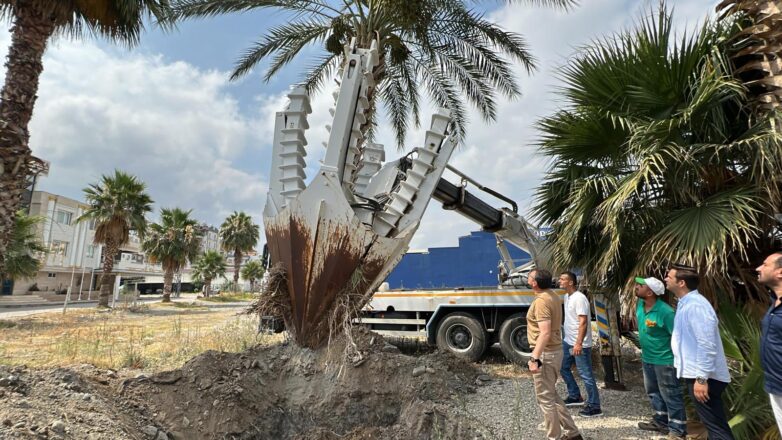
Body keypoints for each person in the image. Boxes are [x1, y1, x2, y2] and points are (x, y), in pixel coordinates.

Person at [665, 264, 734, 440]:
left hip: (705, 377)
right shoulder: (685, 303)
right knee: (713, 424)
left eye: (669, 277)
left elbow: (707, 344)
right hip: (698, 375)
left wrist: (701, 378)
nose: (665, 279)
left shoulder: (696, 306)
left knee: (716, 427)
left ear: (681, 283)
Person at [526, 268, 583, 440]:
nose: (527, 278)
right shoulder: (552, 295)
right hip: (554, 351)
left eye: (529, 277)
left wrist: (534, 357)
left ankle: (554, 437)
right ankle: (573, 434)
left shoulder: (542, 302)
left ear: (534, 282)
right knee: (552, 395)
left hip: (546, 354)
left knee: (545, 400)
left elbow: (545, 333)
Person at [634, 276, 687, 439]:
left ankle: (678, 430)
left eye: (640, 286)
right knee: (653, 392)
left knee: (670, 393)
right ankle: (660, 421)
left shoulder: (666, 312)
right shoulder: (640, 305)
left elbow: (677, 337)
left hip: (665, 361)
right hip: (648, 358)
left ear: (650, 292)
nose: (636, 287)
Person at [558, 271, 602, 417]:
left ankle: (595, 406)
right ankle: (575, 396)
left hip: (579, 344)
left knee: (586, 374)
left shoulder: (580, 298)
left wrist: (578, 344)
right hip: (568, 341)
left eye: (562, 279)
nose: (559, 281)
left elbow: (583, 322)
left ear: (571, 282)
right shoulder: (566, 296)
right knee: (563, 367)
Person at [755, 252, 782, 432]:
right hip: (775, 384)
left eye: (765, 264)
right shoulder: (774, 301)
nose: (758, 268)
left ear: (780, 272)